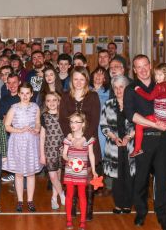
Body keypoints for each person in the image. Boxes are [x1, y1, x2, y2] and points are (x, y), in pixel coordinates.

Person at [124, 54, 166, 229]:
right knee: (140, 179)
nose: (142, 69)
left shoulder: (163, 84)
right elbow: (131, 114)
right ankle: (141, 212)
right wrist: (154, 123)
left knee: (162, 179)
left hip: (163, 139)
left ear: (150, 65)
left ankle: (163, 216)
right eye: (138, 67)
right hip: (144, 139)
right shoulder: (131, 89)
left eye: (145, 65)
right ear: (134, 70)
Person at [59, 66, 101, 221]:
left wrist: (83, 139)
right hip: (70, 142)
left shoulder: (93, 96)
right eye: (75, 79)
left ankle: (88, 208)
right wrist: (70, 137)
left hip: (89, 141)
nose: (78, 82)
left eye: (81, 79)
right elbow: (62, 119)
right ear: (71, 80)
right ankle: (73, 205)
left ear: (86, 81)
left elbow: (95, 120)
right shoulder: (65, 96)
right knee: (72, 174)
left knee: (88, 177)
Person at [130, 63, 166, 157]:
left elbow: (149, 97)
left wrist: (138, 90)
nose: (157, 77)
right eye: (156, 74)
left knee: (139, 125)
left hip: (160, 117)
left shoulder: (159, 86)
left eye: (160, 75)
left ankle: (137, 149)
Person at [2, 83, 43, 213]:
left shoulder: (35, 107)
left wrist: (36, 128)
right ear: (19, 94)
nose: (25, 96)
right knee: (18, 173)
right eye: (22, 93)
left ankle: (30, 200)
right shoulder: (14, 108)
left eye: (27, 93)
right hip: (17, 142)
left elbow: (38, 122)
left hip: (31, 142)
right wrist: (19, 130)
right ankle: (20, 201)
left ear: (31, 94)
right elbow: (6, 126)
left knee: (31, 174)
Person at [100, 74, 135, 215]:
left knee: (129, 176)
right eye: (116, 87)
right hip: (114, 146)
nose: (119, 90)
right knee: (117, 177)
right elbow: (104, 126)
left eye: (121, 87)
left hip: (130, 145)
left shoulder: (133, 103)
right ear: (113, 89)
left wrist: (129, 136)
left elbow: (138, 125)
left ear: (126, 88)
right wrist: (114, 138)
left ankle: (127, 204)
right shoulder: (108, 105)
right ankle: (118, 204)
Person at [63, 112, 97, 230]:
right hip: (70, 170)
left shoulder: (88, 139)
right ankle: (68, 220)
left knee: (82, 195)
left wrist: (93, 170)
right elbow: (64, 155)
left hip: (82, 172)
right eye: (71, 122)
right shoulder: (69, 138)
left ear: (83, 124)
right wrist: (71, 162)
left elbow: (91, 155)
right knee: (69, 195)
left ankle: (82, 222)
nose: (73, 124)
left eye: (76, 122)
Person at [39, 92, 65, 210]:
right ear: (45, 102)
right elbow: (42, 136)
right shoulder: (44, 116)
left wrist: (66, 146)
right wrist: (42, 154)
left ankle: (54, 198)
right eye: (48, 100)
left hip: (62, 149)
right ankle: (62, 195)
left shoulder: (63, 115)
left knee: (58, 177)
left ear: (58, 101)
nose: (51, 103)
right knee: (53, 177)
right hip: (49, 150)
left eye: (54, 100)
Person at [90, 66, 110, 159]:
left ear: (105, 78)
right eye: (96, 73)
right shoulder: (85, 90)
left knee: (101, 152)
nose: (98, 75)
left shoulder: (109, 93)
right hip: (87, 126)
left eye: (101, 74)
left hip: (101, 127)